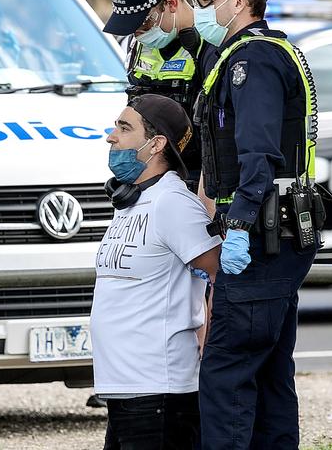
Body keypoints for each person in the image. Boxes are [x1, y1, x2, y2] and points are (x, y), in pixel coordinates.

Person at [175, 0, 321, 448]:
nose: (202, 9)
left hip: (259, 235)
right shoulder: (265, 50)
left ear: (239, 1)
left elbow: (258, 152)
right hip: (278, 231)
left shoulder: (252, 60)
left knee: (227, 375)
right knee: (270, 372)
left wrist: (236, 224)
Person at [91, 94, 222, 449]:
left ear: (156, 143)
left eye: (124, 127)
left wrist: (208, 345)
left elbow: (218, 274)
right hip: (125, 388)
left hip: (160, 390)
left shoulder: (172, 202)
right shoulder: (130, 202)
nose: (111, 136)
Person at [103, 0, 208, 194]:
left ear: (171, 3)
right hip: (148, 179)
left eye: (143, 22)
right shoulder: (136, 45)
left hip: (196, 179)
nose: (138, 33)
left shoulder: (209, 44)